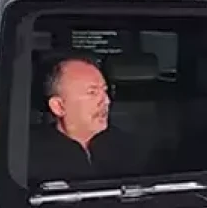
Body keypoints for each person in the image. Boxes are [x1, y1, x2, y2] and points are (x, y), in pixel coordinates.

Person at [27, 54, 143, 185]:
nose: (106, 101)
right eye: (92, 92)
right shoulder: (26, 156)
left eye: (105, 91)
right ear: (58, 106)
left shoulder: (130, 149)